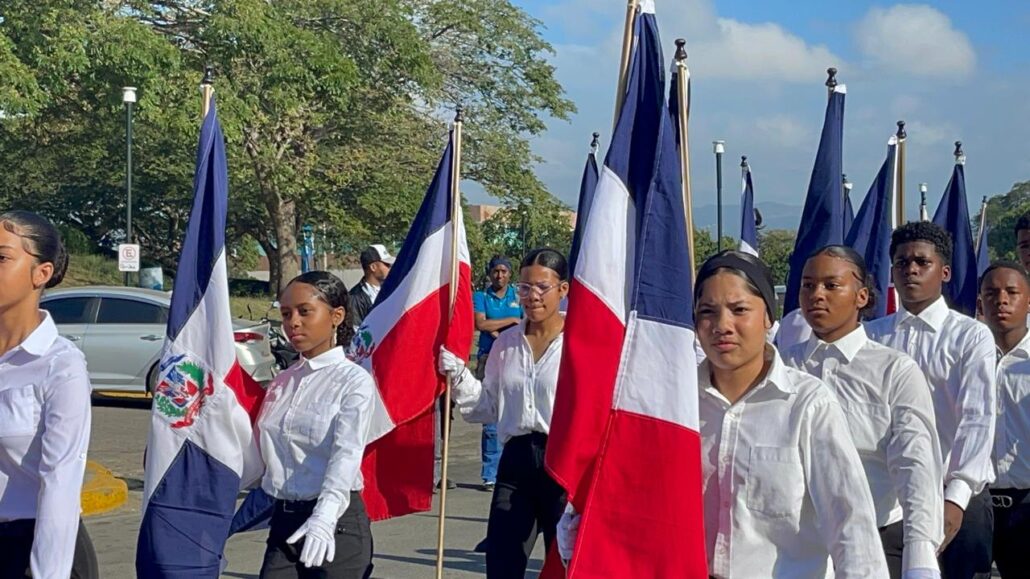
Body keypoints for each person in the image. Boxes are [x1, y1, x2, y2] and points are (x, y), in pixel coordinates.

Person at [558, 250, 888, 578]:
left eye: (739, 309)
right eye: (707, 312)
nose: (722, 326)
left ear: (767, 318)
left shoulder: (807, 405)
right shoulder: (674, 406)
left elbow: (850, 524)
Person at [783, 246, 943, 578]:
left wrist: (920, 555)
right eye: (808, 285)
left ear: (861, 296)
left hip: (879, 538)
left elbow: (916, 464)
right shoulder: (783, 365)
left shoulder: (893, 370)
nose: (816, 295)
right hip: (798, 544)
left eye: (831, 285)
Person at [865, 222, 996, 579]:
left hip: (954, 498)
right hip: (889, 500)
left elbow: (977, 418)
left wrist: (955, 497)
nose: (910, 269)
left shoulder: (970, 336)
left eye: (922, 262)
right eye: (901, 262)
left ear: (945, 271)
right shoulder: (871, 336)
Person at [438, 247, 569, 579]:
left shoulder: (579, 343)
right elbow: (488, 407)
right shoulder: (505, 344)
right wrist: (460, 376)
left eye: (542, 287)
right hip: (516, 463)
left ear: (562, 289)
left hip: (564, 462)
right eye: (525, 288)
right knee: (502, 560)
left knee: (567, 563)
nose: (532, 296)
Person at [256, 271, 375, 578]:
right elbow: (258, 455)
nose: (293, 322)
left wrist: (325, 515)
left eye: (304, 311)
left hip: (335, 523)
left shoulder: (353, 381)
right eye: (286, 314)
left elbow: (346, 454)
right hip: (284, 521)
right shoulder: (281, 383)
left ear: (336, 316)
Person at [0, 210, 98, 579]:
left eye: (2, 257)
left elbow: (61, 481)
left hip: (39, 549)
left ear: (40, 274)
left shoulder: (61, 366)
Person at [977, 261, 1030, 577]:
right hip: (974, 506)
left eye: (1012, 292)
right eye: (991, 293)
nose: (1001, 300)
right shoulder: (965, 357)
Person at [473, 255, 522, 491]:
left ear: (510, 274)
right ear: (490, 273)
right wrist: (510, 321)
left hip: (516, 358)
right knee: (491, 418)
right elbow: (481, 324)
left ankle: (513, 472)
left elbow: (526, 323)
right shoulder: (481, 297)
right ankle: (490, 474)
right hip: (488, 358)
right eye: (495, 271)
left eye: (504, 271)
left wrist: (504, 326)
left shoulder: (518, 296)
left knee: (517, 413)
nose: (499, 275)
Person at [348, 244, 395, 327]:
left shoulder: (392, 289)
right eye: (387, 265)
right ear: (373, 267)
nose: (390, 268)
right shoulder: (355, 298)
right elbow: (356, 332)